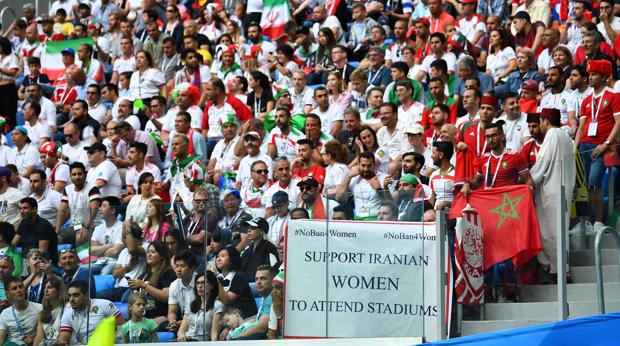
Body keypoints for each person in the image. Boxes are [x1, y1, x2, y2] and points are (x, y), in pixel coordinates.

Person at [530, 108, 576, 279]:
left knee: (551, 232)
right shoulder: (566, 136)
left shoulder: (552, 135)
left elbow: (542, 163)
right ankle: (562, 268)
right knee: (559, 230)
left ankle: (560, 270)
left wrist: (528, 179)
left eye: (541, 121)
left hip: (552, 190)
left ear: (545, 121)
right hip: (564, 188)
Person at [575, 60, 620, 233]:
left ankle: (598, 221)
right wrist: (574, 147)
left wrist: (606, 144)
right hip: (584, 146)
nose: (590, 77)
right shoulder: (586, 100)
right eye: (589, 74)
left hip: (601, 146)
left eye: (594, 74)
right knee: (581, 187)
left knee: (594, 184)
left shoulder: (613, 96)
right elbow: (581, 126)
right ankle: (584, 222)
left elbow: (618, 123)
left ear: (603, 77)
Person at [57, 280, 124, 345]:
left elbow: (122, 329)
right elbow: (63, 341)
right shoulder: (67, 313)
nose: (71, 299)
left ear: (86, 295)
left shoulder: (105, 305)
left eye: (76, 295)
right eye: (69, 296)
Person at [127, 241, 175, 325]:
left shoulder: (168, 273)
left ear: (162, 256)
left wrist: (144, 285)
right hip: (142, 317)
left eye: (153, 252)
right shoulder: (144, 275)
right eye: (148, 252)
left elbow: (166, 296)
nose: (149, 254)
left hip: (159, 316)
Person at [82, 196, 124, 275]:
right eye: (100, 206)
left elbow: (115, 252)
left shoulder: (122, 228)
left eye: (104, 206)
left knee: (104, 273)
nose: (100, 209)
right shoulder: (98, 228)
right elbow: (90, 250)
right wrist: (110, 245)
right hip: (99, 262)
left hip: (114, 262)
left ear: (112, 210)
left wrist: (99, 250)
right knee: (81, 269)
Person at [177, 271, 224, 341]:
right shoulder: (191, 304)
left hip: (202, 342)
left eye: (203, 283)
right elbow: (181, 330)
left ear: (212, 286)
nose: (199, 286)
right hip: (186, 341)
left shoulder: (217, 305)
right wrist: (181, 335)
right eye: (197, 283)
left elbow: (214, 334)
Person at [215, 246, 257, 318]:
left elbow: (227, 300)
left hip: (243, 314)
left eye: (223, 256)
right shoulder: (219, 277)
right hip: (226, 313)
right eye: (217, 256)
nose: (218, 259)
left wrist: (215, 280)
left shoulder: (239, 277)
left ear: (231, 260)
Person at [14, 197, 58, 264]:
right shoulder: (23, 223)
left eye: (25, 208)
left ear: (34, 209)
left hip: (43, 263)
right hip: (26, 260)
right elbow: (13, 244)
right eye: (20, 208)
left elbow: (41, 253)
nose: (22, 211)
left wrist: (26, 263)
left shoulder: (43, 225)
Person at [0, 277, 42, 345]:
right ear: (7, 294)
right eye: (14, 288)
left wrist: (34, 338)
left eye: (21, 287)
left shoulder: (39, 308)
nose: (19, 290)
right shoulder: (4, 314)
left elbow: (49, 333)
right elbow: (1, 340)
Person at [166, 250, 197, 332]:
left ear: (192, 268)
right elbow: (172, 311)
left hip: (199, 320)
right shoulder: (174, 285)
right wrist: (172, 322)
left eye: (182, 266)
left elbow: (201, 313)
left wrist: (181, 324)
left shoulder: (200, 283)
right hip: (182, 320)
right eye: (176, 266)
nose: (178, 269)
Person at [33, 276, 68, 346]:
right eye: (45, 287)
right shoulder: (42, 313)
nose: (45, 290)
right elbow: (39, 337)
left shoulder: (67, 308)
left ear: (59, 291)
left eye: (50, 287)